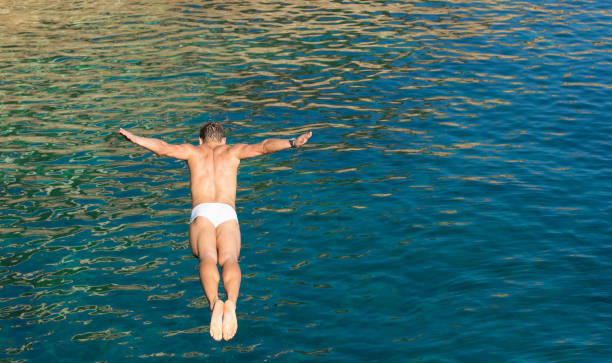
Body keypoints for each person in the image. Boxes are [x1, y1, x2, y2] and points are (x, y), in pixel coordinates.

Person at [118, 123, 312, 341]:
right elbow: (265, 146)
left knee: (208, 257)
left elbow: (162, 147)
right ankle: (231, 302)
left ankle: (214, 302)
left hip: (202, 212)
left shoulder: (192, 151)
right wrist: (292, 142)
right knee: (229, 259)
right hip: (227, 213)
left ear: (200, 140)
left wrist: (136, 139)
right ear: (223, 141)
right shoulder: (233, 151)